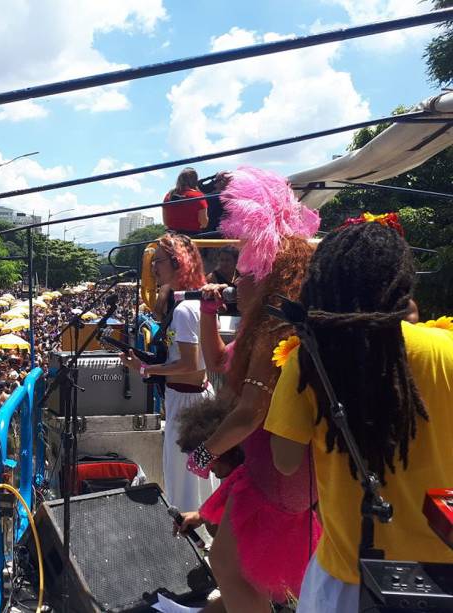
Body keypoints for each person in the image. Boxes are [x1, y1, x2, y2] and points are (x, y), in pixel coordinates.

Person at [264, 218, 453, 613]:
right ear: (402, 280)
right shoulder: (446, 350)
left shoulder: (308, 361)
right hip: (442, 576)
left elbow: (284, 462)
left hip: (348, 580)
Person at [177, 167, 322, 611]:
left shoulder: (275, 326)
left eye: (243, 272)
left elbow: (250, 412)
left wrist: (201, 457)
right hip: (268, 470)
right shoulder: (266, 323)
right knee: (236, 572)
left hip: (277, 475)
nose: (235, 279)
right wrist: (207, 313)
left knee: (231, 569)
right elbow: (220, 362)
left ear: (265, 272)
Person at [129, 232, 218, 512]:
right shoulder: (191, 305)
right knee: (198, 475)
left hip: (187, 402)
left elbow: (191, 366)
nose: (154, 268)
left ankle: (190, 528)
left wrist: (145, 368)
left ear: (178, 263)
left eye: (159, 262)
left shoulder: (183, 311)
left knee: (184, 477)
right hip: (191, 400)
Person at [162, 167, 209, 235]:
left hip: (172, 237)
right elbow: (204, 223)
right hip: (191, 238)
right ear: (195, 180)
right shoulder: (198, 196)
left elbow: (166, 222)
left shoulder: (168, 196)